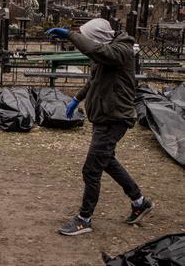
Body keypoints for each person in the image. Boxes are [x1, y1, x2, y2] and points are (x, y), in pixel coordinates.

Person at [47, 18, 153, 236]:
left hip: (114, 119)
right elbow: (94, 80)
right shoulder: (106, 54)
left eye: (88, 38)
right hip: (104, 117)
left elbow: (98, 51)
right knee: (107, 161)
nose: (86, 42)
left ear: (97, 39)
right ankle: (139, 201)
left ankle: (84, 219)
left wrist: (70, 35)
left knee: (91, 169)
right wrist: (76, 99)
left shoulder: (121, 52)